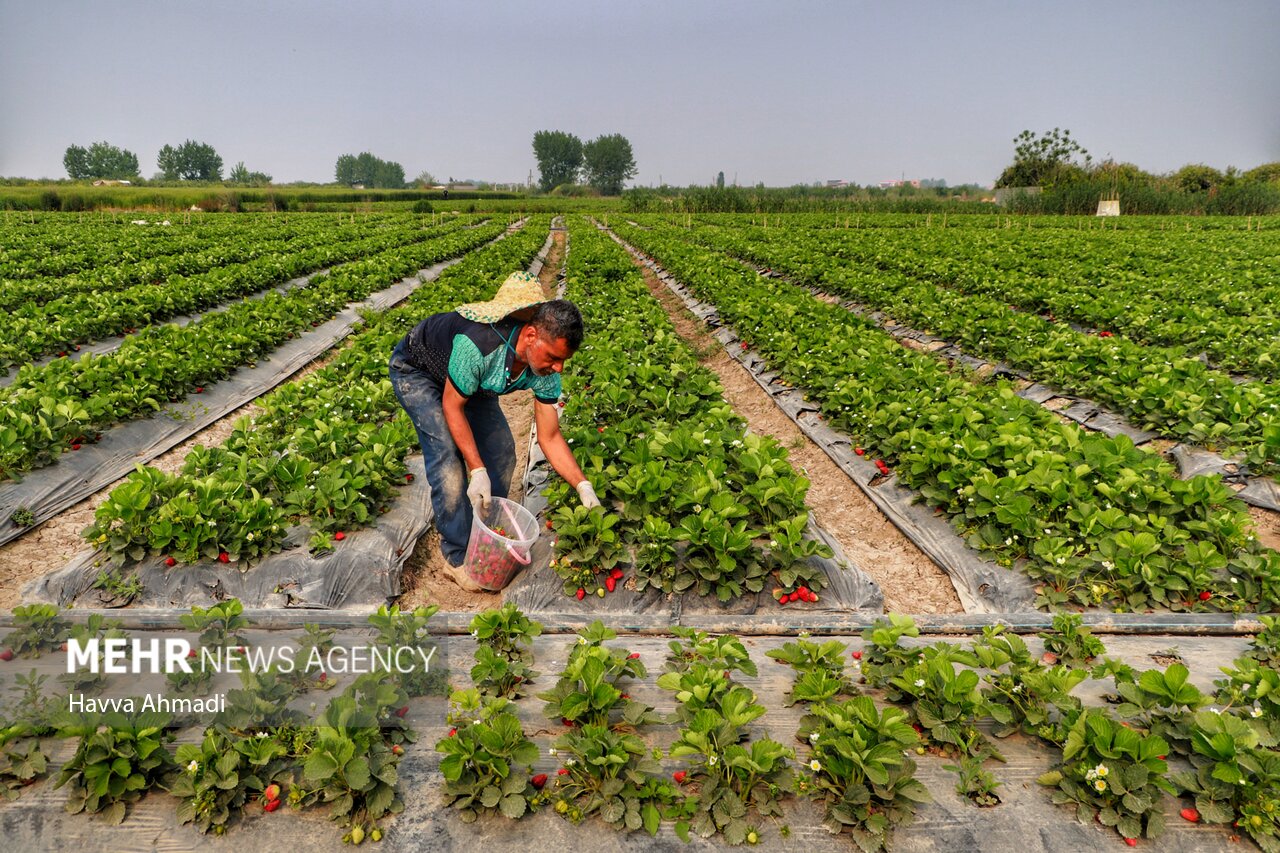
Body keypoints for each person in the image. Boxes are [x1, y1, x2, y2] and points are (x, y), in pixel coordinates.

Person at [388, 271, 601, 591]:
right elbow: (452, 407)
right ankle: (458, 555)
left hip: (469, 384)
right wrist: (475, 468)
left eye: (564, 361)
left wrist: (582, 484)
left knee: (501, 452)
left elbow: (550, 436)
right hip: (418, 372)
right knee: (446, 455)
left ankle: (488, 526)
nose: (558, 368)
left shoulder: (545, 370)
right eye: (554, 358)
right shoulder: (478, 347)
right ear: (531, 337)